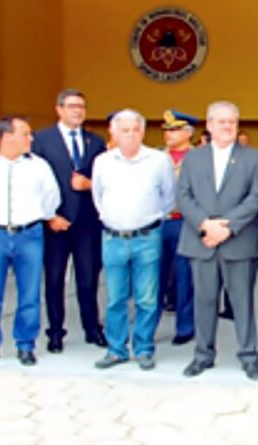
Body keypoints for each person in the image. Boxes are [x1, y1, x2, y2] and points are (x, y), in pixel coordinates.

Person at [177, 101, 258, 380]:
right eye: (221, 121)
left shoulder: (253, 157)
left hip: (237, 240)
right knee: (204, 300)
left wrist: (227, 228)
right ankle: (203, 355)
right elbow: (183, 195)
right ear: (209, 125)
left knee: (242, 303)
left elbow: (257, 197)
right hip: (201, 239)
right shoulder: (193, 158)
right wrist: (205, 224)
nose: (227, 126)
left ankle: (249, 356)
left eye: (232, 121)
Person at [0, 115, 60, 367]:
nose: (31, 138)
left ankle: (25, 345)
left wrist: (39, 217)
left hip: (29, 234)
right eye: (25, 134)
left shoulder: (39, 166)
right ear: (7, 137)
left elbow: (51, 198)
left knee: (29, 292)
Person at [91, 109, 175, 371]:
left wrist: (150, 218)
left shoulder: (158, 160)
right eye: (124, 130)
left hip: (147, 237)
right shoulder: (103, 161)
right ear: (113, 133)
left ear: (142, 132)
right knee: (115, 298)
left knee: (147, 298)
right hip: (113, 238)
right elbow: (98, 196)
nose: (130, 135)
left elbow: (169, 197)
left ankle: (143, 348)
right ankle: (116, 349)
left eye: (134, 130)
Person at [32, 89, 107, 353]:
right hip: (55, 222)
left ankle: (92, 329)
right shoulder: (41, 140)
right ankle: (55, 332)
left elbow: (103, 179)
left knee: (88, 280)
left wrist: (89, 185)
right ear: (59, 109)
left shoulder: (95, 142)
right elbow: (34, 184)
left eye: (82, 106)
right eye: (73, 106)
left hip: (87, 223)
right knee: (54, 280)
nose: (78, 111)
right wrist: (49, 215)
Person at [159, 109, 198, 344]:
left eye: (174, 130)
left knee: (185, 277)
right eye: (167, 130)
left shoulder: (200, 157)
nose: (169, 134)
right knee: (155, 278)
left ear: (188, 132)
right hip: (159, 221)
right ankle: (148, 328)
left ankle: (185, 326)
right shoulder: (155, 157)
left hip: (186, 222)